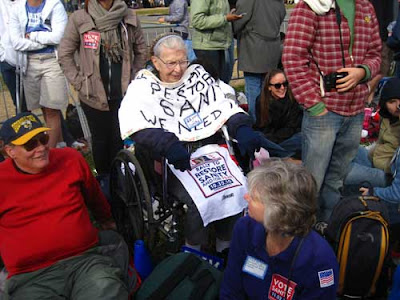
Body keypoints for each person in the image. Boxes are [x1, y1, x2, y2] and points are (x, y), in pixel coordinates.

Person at [119, 34, 267, 255]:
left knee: (236, 188)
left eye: (182, 61)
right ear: (156, 61)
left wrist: (241, 126)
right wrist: (167, 144)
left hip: (209, 150)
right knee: (197, 200)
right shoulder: (142, 86)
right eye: (170, 63)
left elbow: (222, 104)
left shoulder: (197, 77)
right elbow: (136, 123)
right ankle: (193, 248)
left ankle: (225, 245)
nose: (178, 69)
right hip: (171, 157)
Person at [0, 112, 128, 299]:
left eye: (43, 139)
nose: (41, 148)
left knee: (107, 291)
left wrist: (107, 220)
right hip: (31, 276)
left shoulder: (70, 159)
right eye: (30, 144)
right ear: (10, 152)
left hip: (85, 261)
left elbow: (95, 198)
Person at [282, 0, 382, 222]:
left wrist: (362, 72)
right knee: (311, 185)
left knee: (336, 181)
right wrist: (315, 105)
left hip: (355, 110)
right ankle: (303, 237)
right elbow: (293, 58)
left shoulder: (365, 6)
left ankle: (327, 230)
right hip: (324, 112)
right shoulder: (310, 6)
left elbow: (376, 52)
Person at [220, 159, 339, 299]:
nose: (246, 197)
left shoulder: (319, 261)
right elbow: (231, 288)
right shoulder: (245, 229)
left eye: (254, 197)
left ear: (278, 213)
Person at [58, 0, 147, 182]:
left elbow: (141, 50)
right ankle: (105, 181)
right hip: (92, 94)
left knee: (119, 137)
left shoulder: (129, 16)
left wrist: (135, 76)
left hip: (124, 93)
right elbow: (65, 54)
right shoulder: (79, 18)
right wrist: (79, 82)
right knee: (100, 139)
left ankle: (122, 178)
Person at [8, 0, 69, 148]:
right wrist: (44, 41)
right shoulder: (17, 8)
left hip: (52, 61)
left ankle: (51, 150)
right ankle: (59, 144)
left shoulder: (55, 5)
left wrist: (33, 36)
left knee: (52, 108)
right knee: (43, 107)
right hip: (29, 62)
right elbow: (16, 42)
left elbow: (59, 36)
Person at [232, 0, 286, 123]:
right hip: (271, 48)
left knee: (253, 89)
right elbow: (281, 15)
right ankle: (267, 122)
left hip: (253, 47)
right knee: (267, 89)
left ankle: (257, 123)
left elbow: (239, 20)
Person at [345, 77, 400, 188]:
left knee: (339, 173)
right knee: (343, 148)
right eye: (392, 102)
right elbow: (380, 142)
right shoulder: (386, 117)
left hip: (388, 175)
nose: (397, 106)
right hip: (374, 159)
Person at [190, 0, 242, 84]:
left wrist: (229, 14)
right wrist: (225, 18)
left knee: (223, 83)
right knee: (211, 84)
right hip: (207, 47)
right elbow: (197, 20)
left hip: (222, 44)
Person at [255, 69, 303, 158]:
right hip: (272, 138)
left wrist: (273, 142)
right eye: (277, 85)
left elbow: (292, 127)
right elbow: (263, 127)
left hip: (290, 136)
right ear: (269, 87)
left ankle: (275, 153)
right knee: (258, 137)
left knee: (301, 138)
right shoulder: (261, 101)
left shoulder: (292, 98)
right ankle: (281, 153)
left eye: (285, 84)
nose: (282, 88)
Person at [0, 0, 28, 114]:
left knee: (48, 104)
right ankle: (25, 131)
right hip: (7, 60)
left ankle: (61, 132)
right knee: (20, 105)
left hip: (32, 58)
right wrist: (2, 55)